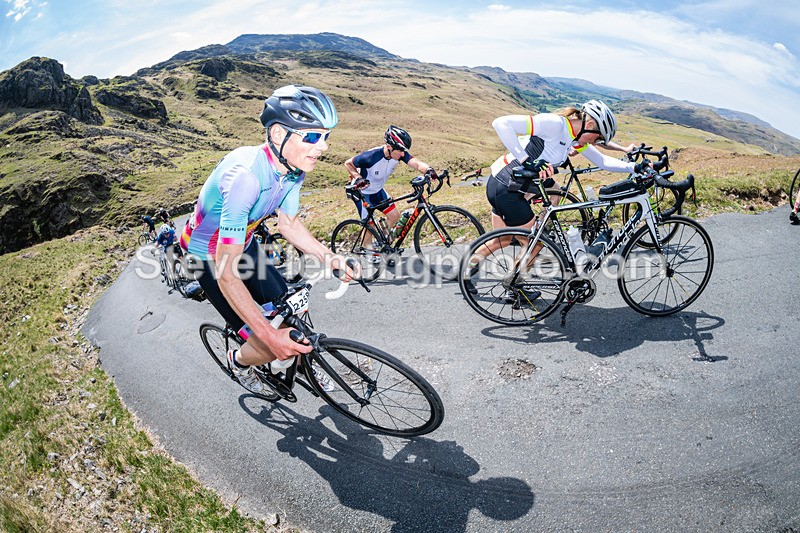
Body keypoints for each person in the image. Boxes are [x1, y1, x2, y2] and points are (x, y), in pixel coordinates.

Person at [181, 84, 356, 394]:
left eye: (326, 137)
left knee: (291, 311)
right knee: (268, 342)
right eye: (313, 137)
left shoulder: (292, 170)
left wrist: (330, 258)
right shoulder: (246, 178)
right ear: (278, 134)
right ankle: (238, 360)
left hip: (243, 245)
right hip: (207, 257)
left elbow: (288, 224)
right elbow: (225, 271)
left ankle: (299, 360)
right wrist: (270, 336)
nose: (323, 147)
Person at [464, 100, 644, 297]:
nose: (597, 142)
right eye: (598, 137)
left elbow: (601, 161)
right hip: (507, 187)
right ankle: (515, 287)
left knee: (503, 239)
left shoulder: (574, 139)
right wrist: (527, 160)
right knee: (537, 243)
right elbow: (501, 123)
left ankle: (464, 272)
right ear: (590, 125)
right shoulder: (555, 125)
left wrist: (633, 167)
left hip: (514, 185)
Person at [344, 125, 436, 234]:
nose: (403, 154)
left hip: (377, 191)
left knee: (394, 216)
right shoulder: (371, 156)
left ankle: (382, 243)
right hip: (362, 193)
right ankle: (366, 249)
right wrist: (358, 178)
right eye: (400, 150)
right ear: (389, 146)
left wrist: (429, 171)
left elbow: (416, 163)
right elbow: (348, 163)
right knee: (370, 227)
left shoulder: (398, 153)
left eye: (404, 151)